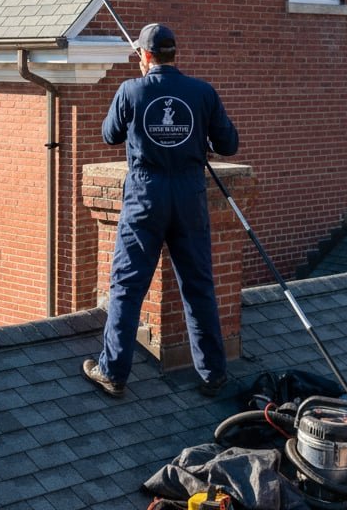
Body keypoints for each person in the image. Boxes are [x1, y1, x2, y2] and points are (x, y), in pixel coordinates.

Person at [82, 22, 239, 398]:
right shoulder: (202, 92)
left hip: (145, 198)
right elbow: (229, 144)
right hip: (189, 198)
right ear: (174, 54)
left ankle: (113, 372)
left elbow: (109, 134)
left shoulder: (131, 90)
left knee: (127, 285)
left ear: (146, 55)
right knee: (198, 285)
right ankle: (213, 374)